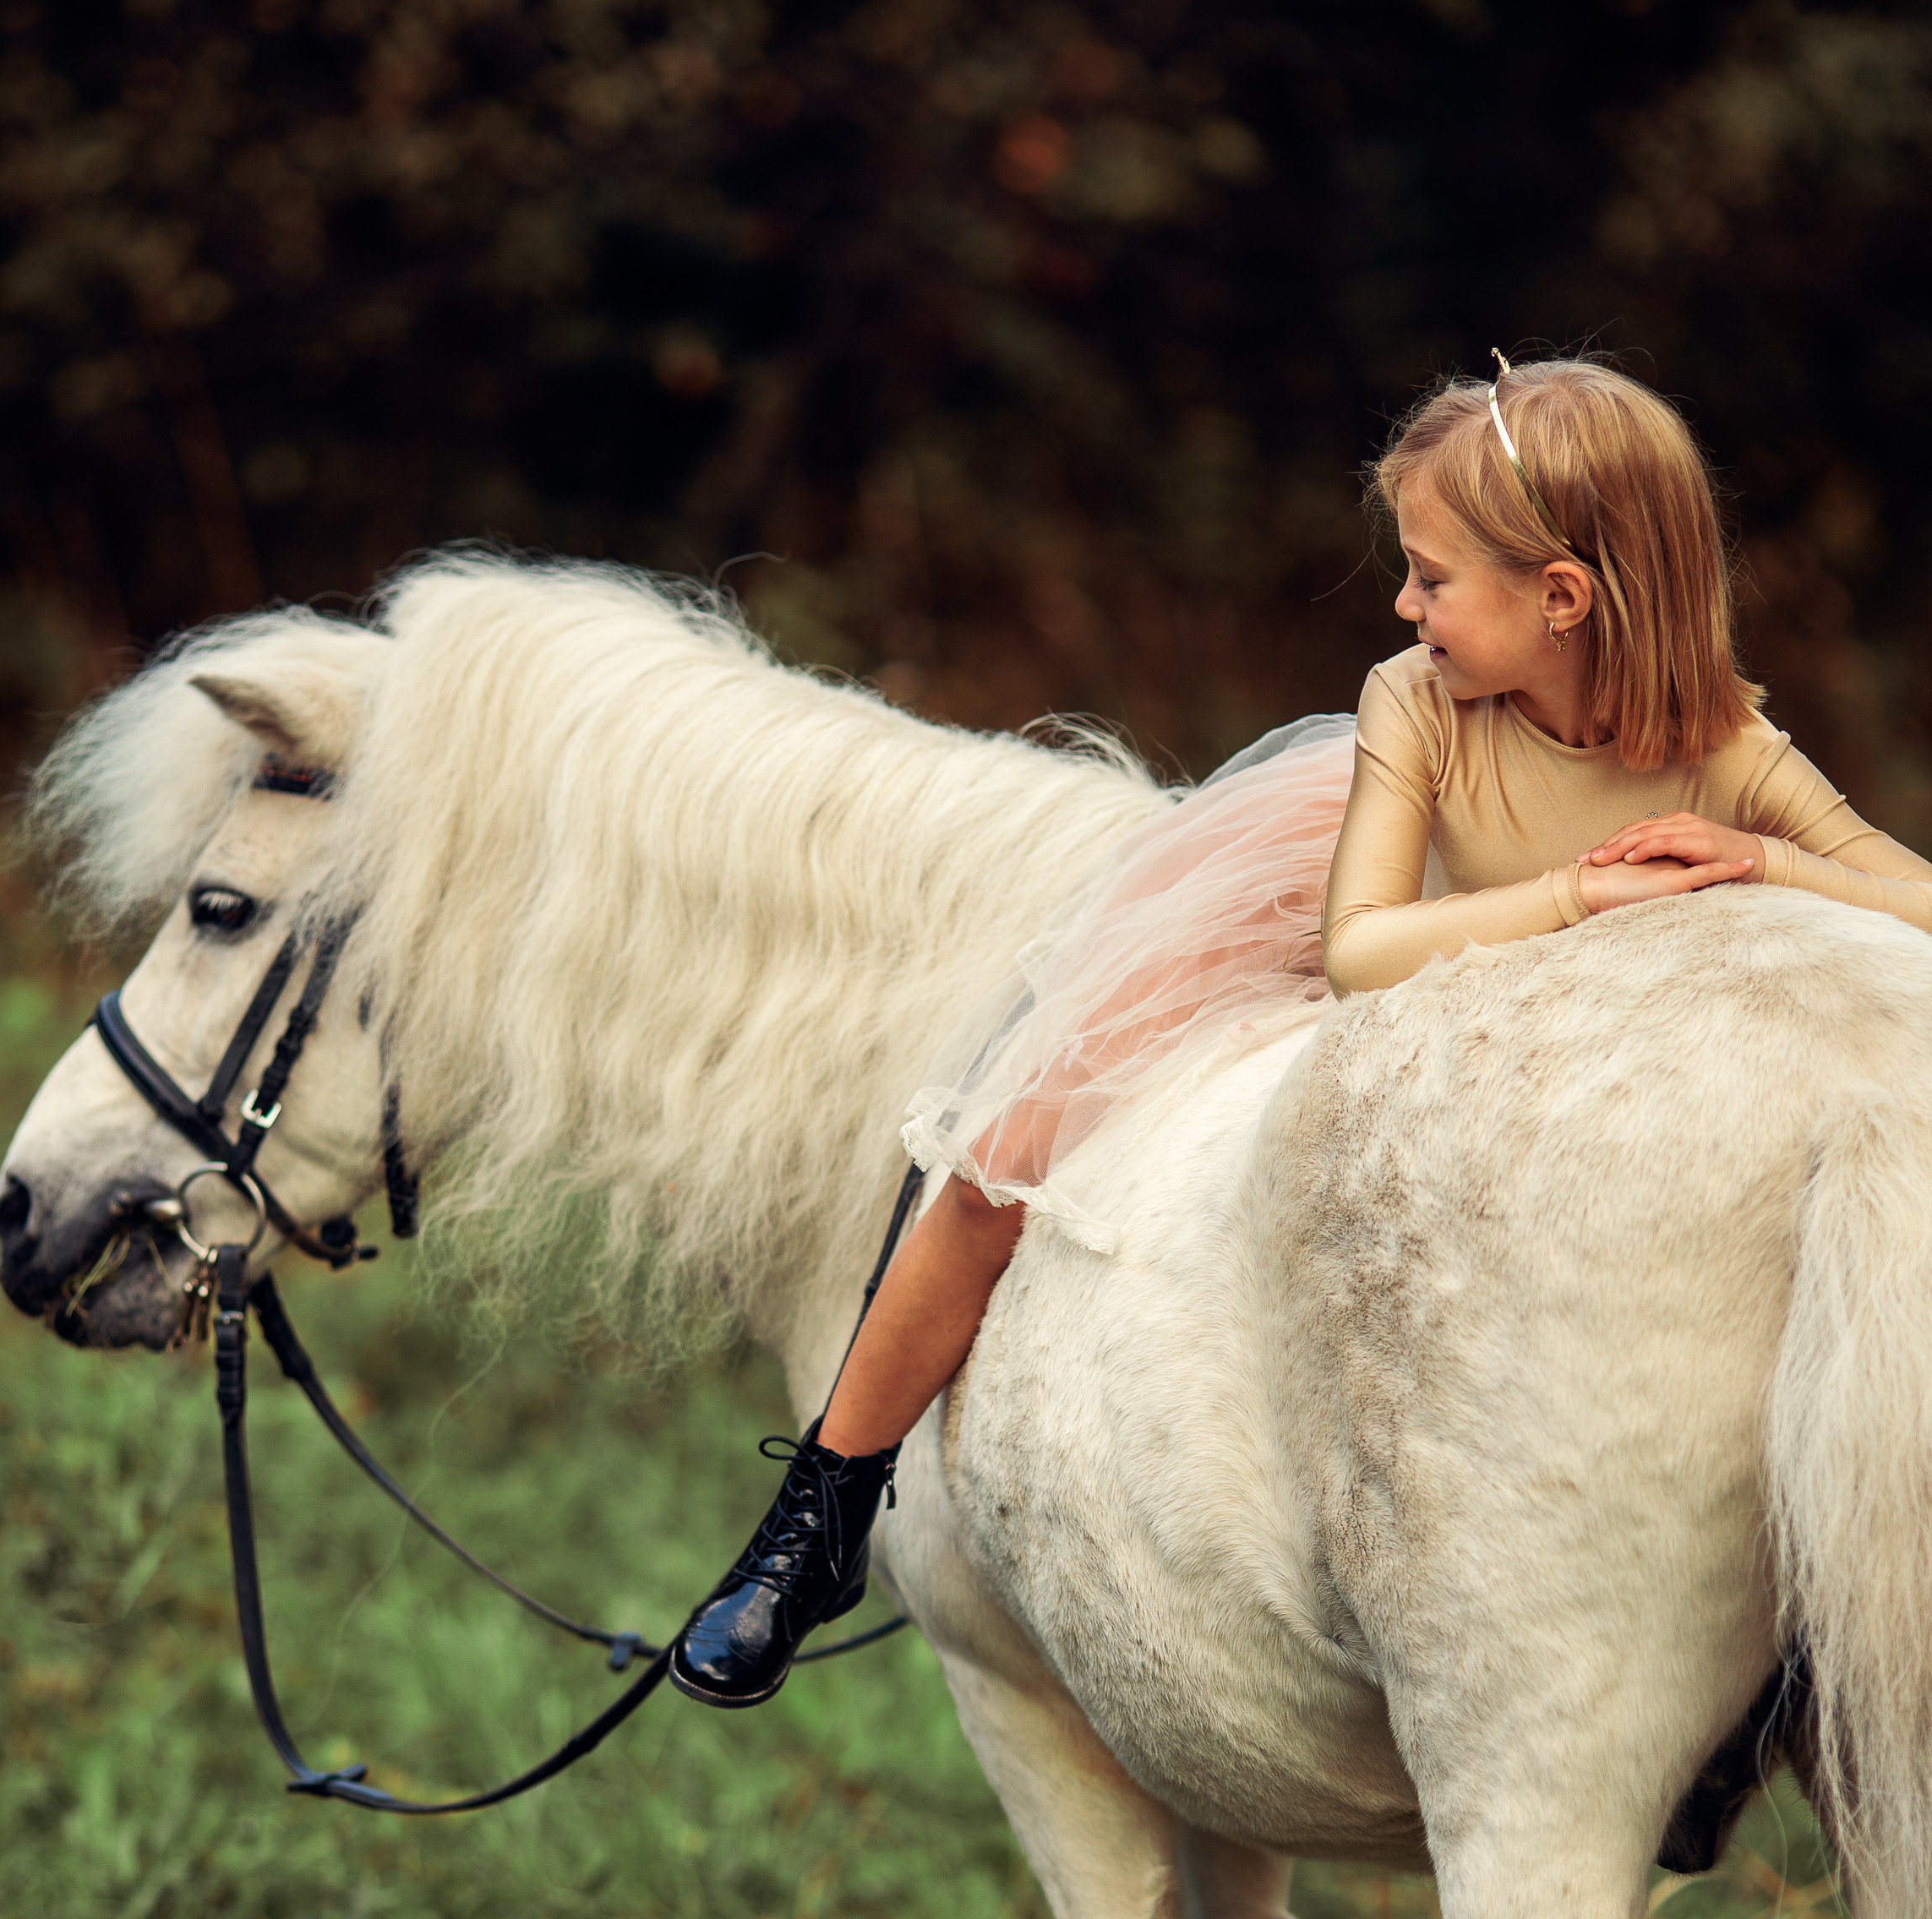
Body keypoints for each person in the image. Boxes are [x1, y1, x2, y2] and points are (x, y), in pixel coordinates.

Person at [667, 351, 1932, 1709]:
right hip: (1332, 906)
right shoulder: (1416, 703)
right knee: (1007, 1157)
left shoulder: (1721, 745)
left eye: (1431, 578)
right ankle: (820, 1514)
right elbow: (1360, 950)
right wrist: (1575, 894)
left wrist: (1768, 861)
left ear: (1561, 598)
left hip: (1555, 1023)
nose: (1403, 604)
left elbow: (1915, 896)